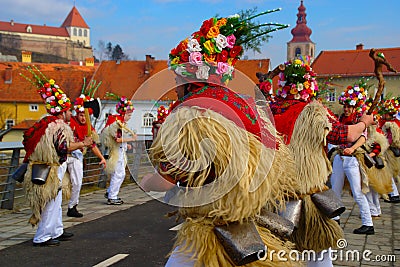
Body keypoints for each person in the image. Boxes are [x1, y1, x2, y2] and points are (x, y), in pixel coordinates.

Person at [141, 11, 302, 267]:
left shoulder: (191, 113)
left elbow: (169, 178)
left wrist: (147, 180)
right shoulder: (248, 105)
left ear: (190, 76)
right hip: (247, 218)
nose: (175, 84)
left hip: (211, 225)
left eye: (177, 77)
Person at [21, 69, 93, 247]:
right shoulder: (59, 126)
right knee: (51, 203)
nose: (71, 114)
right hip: (51, 169)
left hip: (45, 167)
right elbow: (64, 148)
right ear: (63, 111)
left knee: (56, 200)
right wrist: (83, 143)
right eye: (69, 111)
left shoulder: (46, 122)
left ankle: (56, 230)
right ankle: (42, 236)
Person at [329, 82, 375, 235]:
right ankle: (335, 218)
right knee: (334, 189)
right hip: (339, 157)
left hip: (352, 159)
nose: (346, 109)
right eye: (345, 106)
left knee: (357, 192)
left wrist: (352, 148)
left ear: (355, 107)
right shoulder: (340, 118)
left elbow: (363, 137)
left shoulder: (359, 120)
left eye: (349, 106)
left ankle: (368, 223)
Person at [66, 94, 107, 217]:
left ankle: (72, 206)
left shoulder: (89, 127)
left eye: (85, 115)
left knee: (77, 182)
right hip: (63, 154)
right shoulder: (69, 122)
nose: (83, 118)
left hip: (76, 156)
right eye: (81, 115)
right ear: (77, 114)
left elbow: (92, 145)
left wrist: (101, 158)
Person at [101, 93, 136, 205]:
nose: (130, 118)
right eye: (129, 115)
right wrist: (131, 139)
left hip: (120, 150)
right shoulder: (117, 123)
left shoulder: (118, 122)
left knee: (119, 173)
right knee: (119, 174)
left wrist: (127, 145)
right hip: (116, 152)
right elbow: (117, 139)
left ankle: (110, 192)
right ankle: (112, 196)